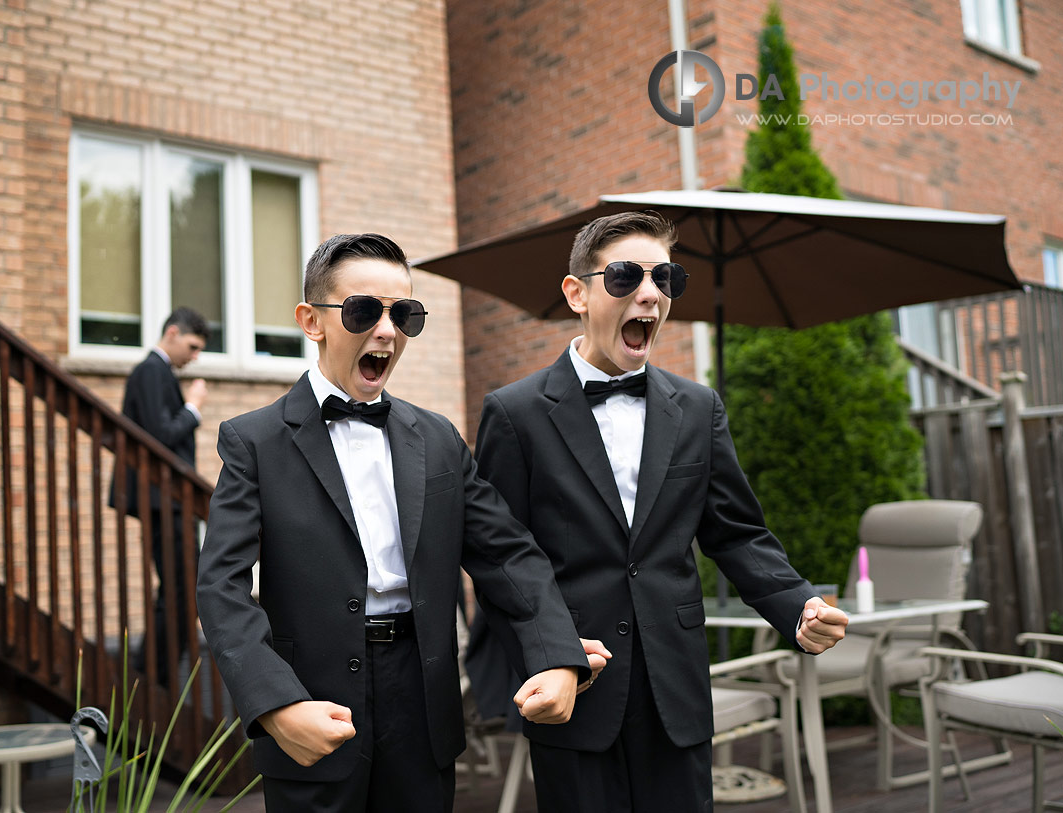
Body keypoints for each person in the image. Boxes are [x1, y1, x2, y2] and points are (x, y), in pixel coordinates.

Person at [196, 233, 604, 813]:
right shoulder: (253, 441)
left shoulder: (438, 438)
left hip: (424, 702)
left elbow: (508, 556)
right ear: (312, 321)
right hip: (313, 701)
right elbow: (221, 586)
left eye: (404, 313)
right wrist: (275, 703)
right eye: (365, 310)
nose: (387, 330)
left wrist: (558, 653)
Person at [471, 211, 849, 812]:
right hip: (577, 680)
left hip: (675, 683)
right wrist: (551, 657)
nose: (649, 292)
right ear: (577, 293)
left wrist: (796, 603)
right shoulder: (514, 413)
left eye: (664, 278)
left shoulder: (698, 408)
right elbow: (499, 558)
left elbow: (736, 532)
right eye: (624, 276)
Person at [111, 306, 208, 680]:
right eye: (193, 346)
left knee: (185, 586)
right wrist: (193, 408)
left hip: (169, 500)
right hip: (162, 501)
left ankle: (156, 672)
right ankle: (151, 675)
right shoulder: (151, 370)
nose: (195, 356)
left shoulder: (158, 372)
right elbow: (160, 436)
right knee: (181, 587)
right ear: (172, 334)